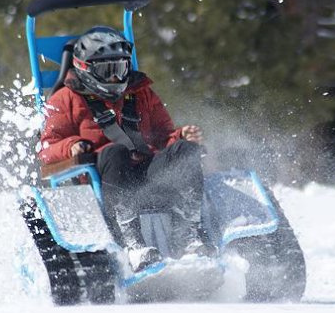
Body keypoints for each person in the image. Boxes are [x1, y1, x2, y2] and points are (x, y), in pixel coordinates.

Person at [38, 26, 213, 272]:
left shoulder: (141, 93)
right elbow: (46, 148)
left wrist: (180, 136)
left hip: (146, 169)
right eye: (107, 71)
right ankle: (133, 244)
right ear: (85, 69)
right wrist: (71, 146)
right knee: (115, 151)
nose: (115, 79)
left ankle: (187, 238)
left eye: (120, 69)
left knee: (186, 150)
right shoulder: (64, 99)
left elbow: (163, 137)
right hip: (102, 178)